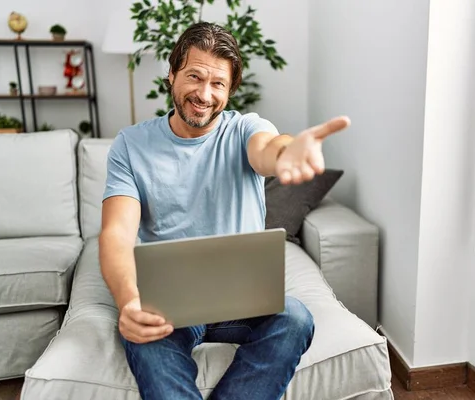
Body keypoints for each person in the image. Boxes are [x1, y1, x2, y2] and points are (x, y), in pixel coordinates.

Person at [99, 21, 350, 400]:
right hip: (171, 302)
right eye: (194, 77)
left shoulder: (245, 129)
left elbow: (268, 148)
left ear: (230, 91)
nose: (204, 94)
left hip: (244, 300)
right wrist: (128, 301)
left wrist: (287, 152)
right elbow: (117, 234)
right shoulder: (130, 145)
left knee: (295, 318)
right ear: (171, 75)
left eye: (217, 84)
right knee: (143, 337)